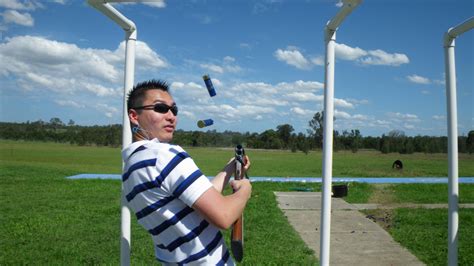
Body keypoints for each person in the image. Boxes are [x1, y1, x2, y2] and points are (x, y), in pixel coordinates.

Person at [121, 79, 252, 265]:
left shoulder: (131, 166)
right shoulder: (163, 156)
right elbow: (223, 216)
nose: (171, 116)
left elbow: (198, 198)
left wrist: (230, 168)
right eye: (160, 108)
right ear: (134, 116)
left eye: (174, 110)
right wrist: (245, 190)